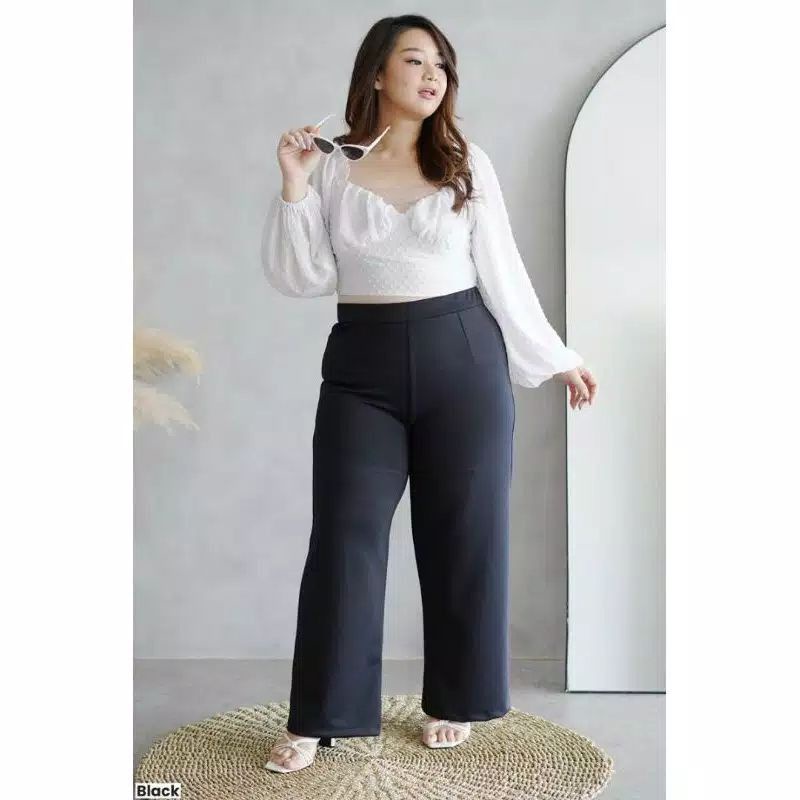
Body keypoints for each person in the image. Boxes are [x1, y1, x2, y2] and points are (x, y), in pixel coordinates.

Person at [260, 14, 598, 774]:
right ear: (377, 74)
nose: (432, 74)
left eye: (440, 62)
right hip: (362, 368)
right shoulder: (332, 165)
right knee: (344, 540)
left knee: (465, 535)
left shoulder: (464, 161)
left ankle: (455, 699)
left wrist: (555, 357)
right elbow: (304, 277)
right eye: (414, 60)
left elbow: (502, 269)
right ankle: (320, 714)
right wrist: (294, 183)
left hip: (464, 357)